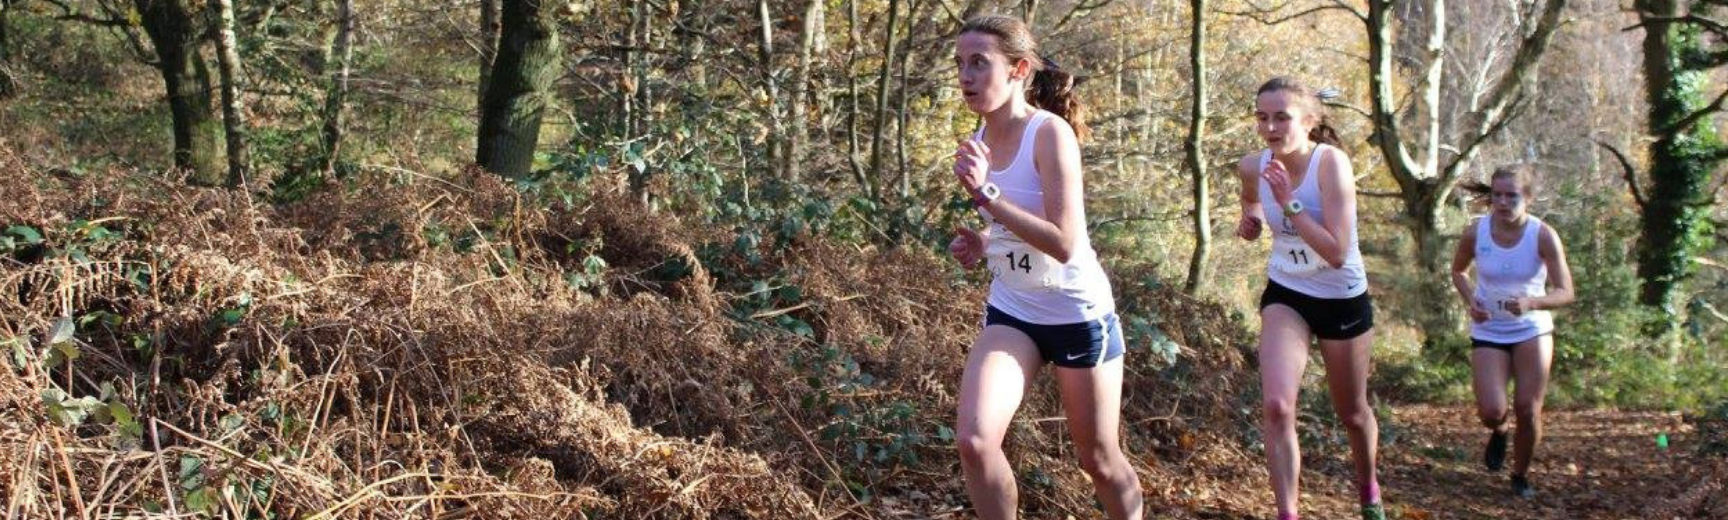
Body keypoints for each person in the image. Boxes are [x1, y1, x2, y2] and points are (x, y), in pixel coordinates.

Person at [945, 14, 1143, 520]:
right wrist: (984, 242)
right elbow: (1016, 227)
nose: (965, 76)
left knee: (1097, 460)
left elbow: (1063, 241)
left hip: (1077, 313)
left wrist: (986, 196)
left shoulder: (1050, 134)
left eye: (979, 63)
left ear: (1018, 69)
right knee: (974, 440)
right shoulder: (980, 134)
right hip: (1014, 309)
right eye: (960, 64)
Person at [1235, 77, 1384, 520]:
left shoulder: (1330, 165)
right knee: (1278, 406)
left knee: (1352, 412)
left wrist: (1289, 202)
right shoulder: (1252, 165)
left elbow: (1337, 253)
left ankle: (1369, 486)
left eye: (1282, 117)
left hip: (1340, 296)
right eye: (1262, 117)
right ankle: (1288, 513)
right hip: (1287, 292)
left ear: (1309, 121)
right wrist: (1253, 221)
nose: (1270, 127)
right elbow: (1250, 201)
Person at [1449, 164, 1575, 499]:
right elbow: (1458, 271)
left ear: (1528, 198)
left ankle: (1519, 474)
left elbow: (1566, 292)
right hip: (1489, 327)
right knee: (1491, 410)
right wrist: (1470, 301)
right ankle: (1500, 430)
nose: (1503, 202)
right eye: (1497, 195)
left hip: (1531, 329)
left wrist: (1532, 302)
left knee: (1528, 408)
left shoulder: (1543, 234)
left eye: (1512, 196)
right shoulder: (1476, 232)